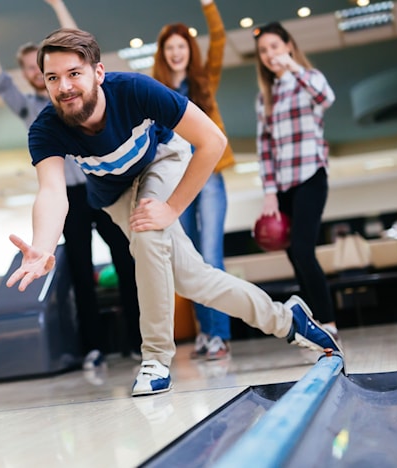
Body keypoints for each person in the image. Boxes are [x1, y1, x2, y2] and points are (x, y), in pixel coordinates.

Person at [6, 28, 342, 397]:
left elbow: (213, 140)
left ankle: (155, 359)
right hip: (115, 194)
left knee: (148, 233)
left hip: (162, 160)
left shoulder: (135, 90)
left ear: (98, 73)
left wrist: (172, 208)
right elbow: (53, 192)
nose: (64, 86)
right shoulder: (46, 127)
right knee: (194, 280)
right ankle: (287, 320)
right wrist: (43, 246)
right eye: (53, 78)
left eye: (74, 74)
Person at [0, 0, 141, 370]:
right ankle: (94, 347)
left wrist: (58, 5)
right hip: (67, 198)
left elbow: (79, 46)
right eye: (33, 69)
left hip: (102, 187)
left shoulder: (78, 91)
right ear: (32, 76)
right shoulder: (31, 108)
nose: (39, 73)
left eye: (43, 66)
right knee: (80, 271)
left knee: (126, 261)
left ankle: (137, 341)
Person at [151, 0, 233, 361]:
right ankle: (205, 333)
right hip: (177, 181)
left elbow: (219, 38)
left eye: (181, 46)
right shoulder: (156, 90)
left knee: (212, 254)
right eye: (170, 48)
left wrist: (209, 6)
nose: (176, 53)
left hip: (210, 175)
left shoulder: (204, 80)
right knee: (190, 259)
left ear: (189, 50)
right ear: (163, 54)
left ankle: (220, 335)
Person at [252, 22, 339, 339]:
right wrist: (269, 193)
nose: (269, 54)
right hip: (283, 185)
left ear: (288, 46)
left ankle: (328, 323)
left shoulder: (309, 78)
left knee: (303, 249)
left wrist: (293, 67)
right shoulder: (265, 98)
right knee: (294, 255)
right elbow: (265, 148)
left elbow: (325, 98)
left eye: (275, 46)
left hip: (311, 175)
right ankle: (314, 326)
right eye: (263, 51)